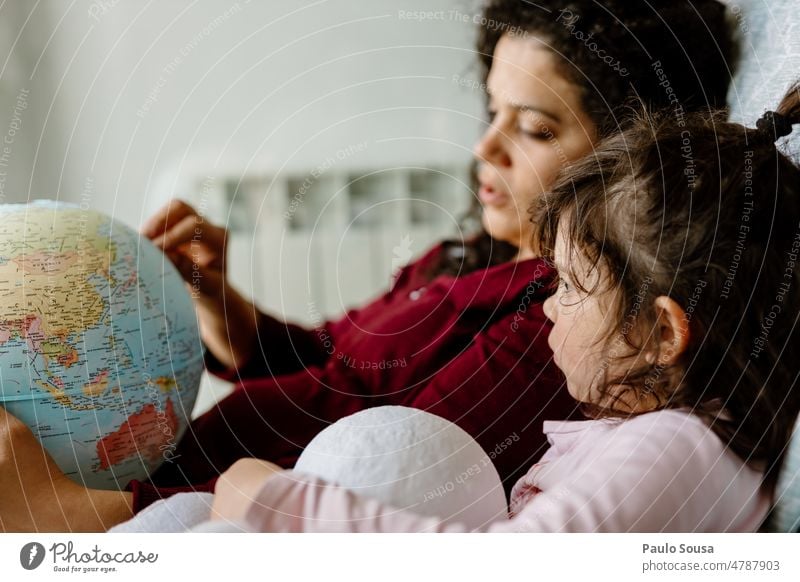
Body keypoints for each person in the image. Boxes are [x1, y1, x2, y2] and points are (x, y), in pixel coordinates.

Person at [0, 0, 734, 531]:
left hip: (182, 510)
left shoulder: (555, 324)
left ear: (622, 162)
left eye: (535, 129)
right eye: (492, 113)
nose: (486, 151)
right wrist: (226, 306)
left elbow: (372, 460)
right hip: (153, 477)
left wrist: (90, 516)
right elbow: (337, 364)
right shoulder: (464, 251)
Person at [209, 83, 800, 532]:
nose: (549, 309)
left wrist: (287, 507)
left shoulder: (676, 449)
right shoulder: (655, 431)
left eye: (569, 285)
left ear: (662, 333)